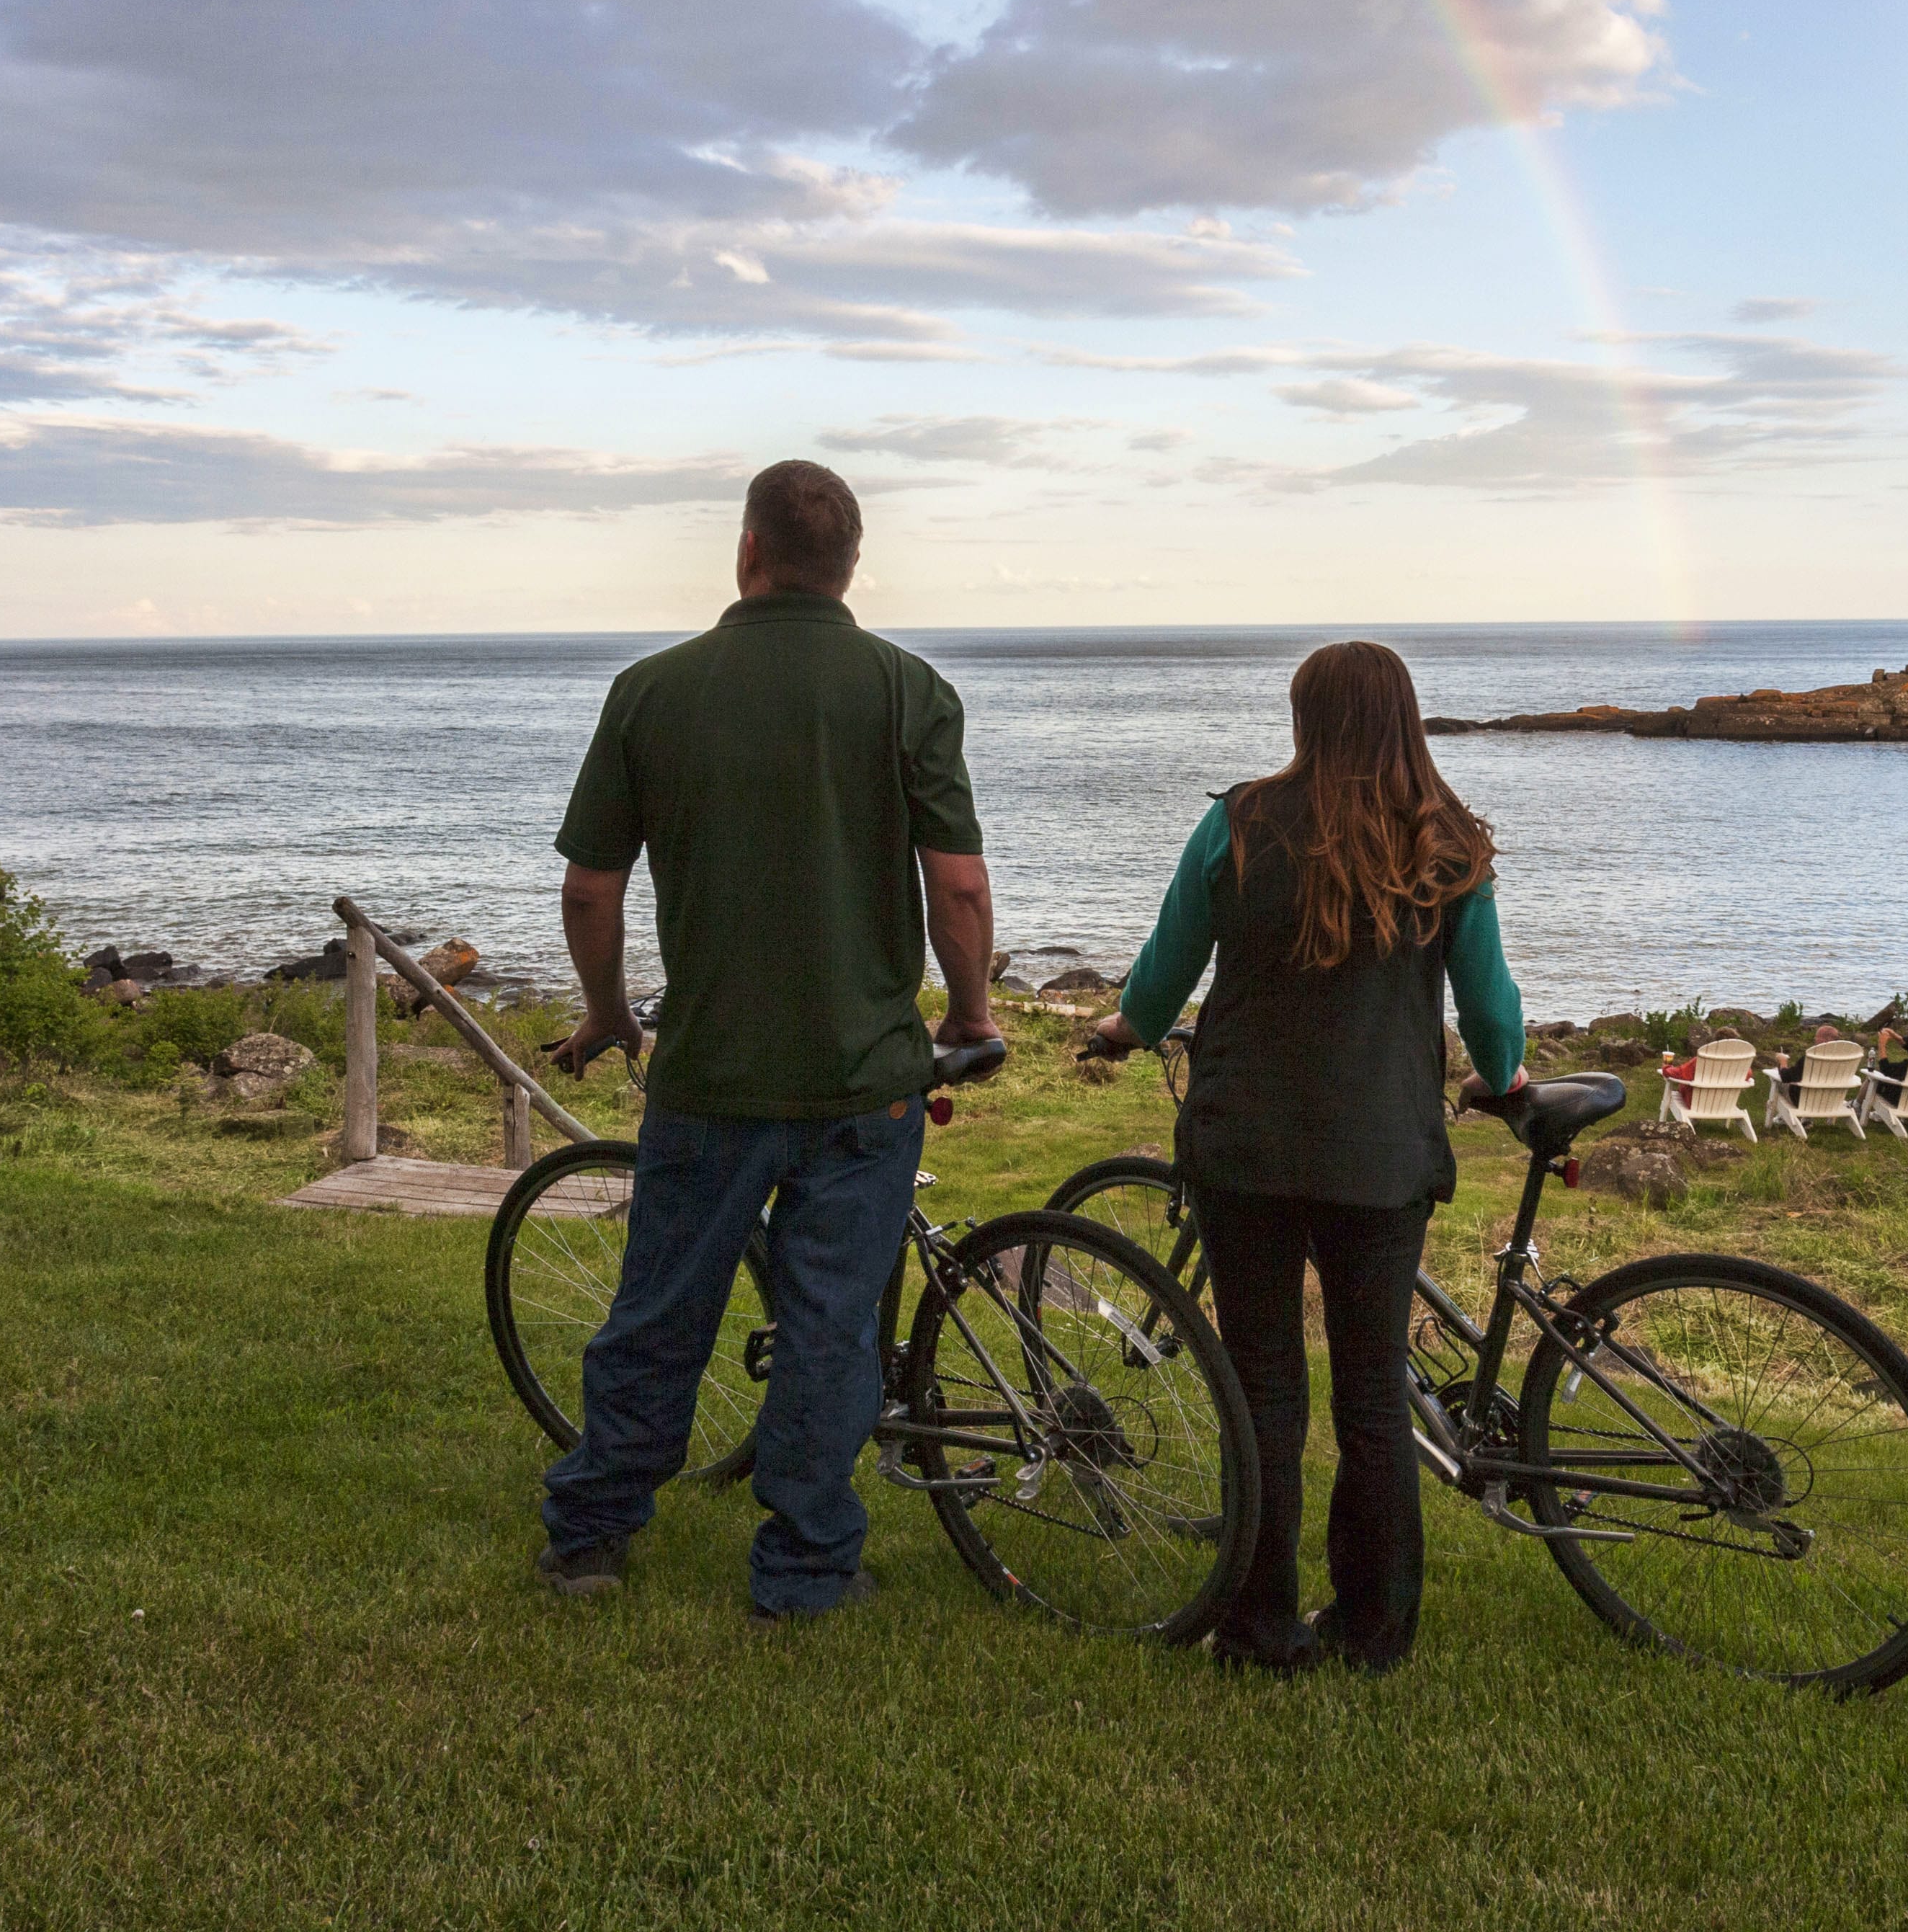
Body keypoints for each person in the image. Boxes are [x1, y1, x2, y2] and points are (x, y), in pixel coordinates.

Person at [531, 460, 997, 1624]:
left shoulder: (651, 691)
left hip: (711, 1079)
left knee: (660, 1312)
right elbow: (960, 884)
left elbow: (593, 889)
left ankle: (592, 1533)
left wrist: (608, 1009)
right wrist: (972, 1012)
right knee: (832, 1329)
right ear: (851, 569)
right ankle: (802, 1566)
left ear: (746, 552)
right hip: (864, 1083)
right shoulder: (908, 689)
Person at [1084, 641, 1526, 1675]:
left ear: (1304, 720)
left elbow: (1162, 979)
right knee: (1373, 1392)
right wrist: (1499, 1081)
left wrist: (1122, 1032)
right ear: (1406, 721)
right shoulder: (1446, 844)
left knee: (1265, 1384)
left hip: (1246, 1145)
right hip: (1382, 1156)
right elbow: (1492, 1010)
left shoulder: (1235, 822)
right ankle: (1374, 1635)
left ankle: (1259, 1628)